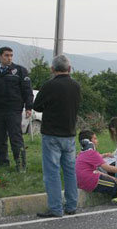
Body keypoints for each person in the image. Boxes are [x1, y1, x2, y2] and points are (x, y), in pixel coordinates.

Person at [33, 55, 81, 217]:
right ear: (69, 68)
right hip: (69, 133)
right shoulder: (76, 86)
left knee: (52, 172)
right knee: (69, 171)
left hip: (51, 134)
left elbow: (37, 106)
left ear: (52, 69)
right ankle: (71, 205)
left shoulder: (49, 86)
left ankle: (55, 208)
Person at [0, 47, 33, 172]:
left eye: (11, 55)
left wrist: (28, 106)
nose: (9, 58)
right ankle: (2, 164)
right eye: (6, 55)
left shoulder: (19, 70)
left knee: (16, 138)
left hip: (14, 110)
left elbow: (27, 90)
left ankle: (21, 165)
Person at [75, 130, 117, 200]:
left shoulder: (81, 154)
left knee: (116, 184)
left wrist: (111, 178)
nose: (97, 141)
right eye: (95, 138)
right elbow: (108, 168)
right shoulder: (91, 153)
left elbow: (95, 171)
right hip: (90, 181)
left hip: (82, 182)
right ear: (88, 141)